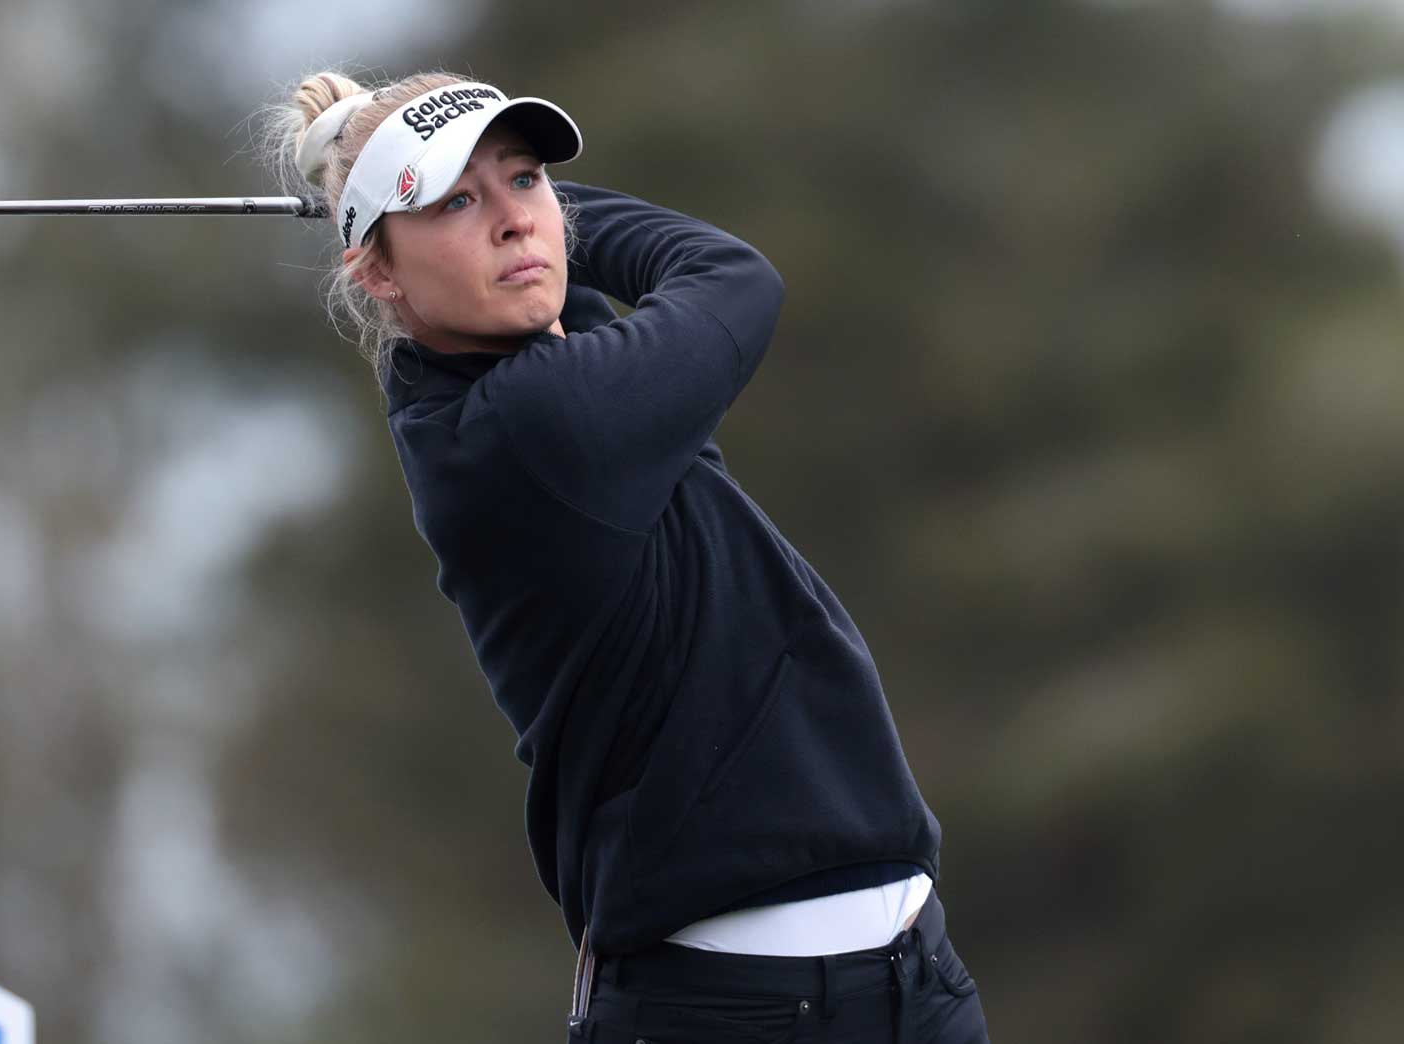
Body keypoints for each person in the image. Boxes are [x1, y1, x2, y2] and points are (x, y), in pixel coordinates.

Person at [260, 68, 991, 1043]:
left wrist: (469, 199)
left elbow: (613, 286)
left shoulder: (540, 375)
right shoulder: (533, 425)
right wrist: (543, 218)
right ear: (378, 274)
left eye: (524, 180)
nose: (514, 220)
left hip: (910, 983)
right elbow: (731, 279)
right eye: (456, 202)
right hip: (730, 1016)